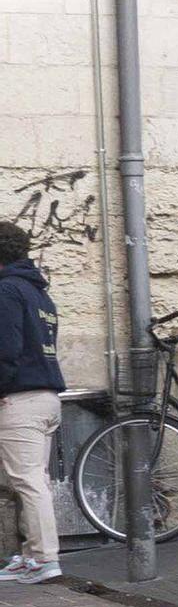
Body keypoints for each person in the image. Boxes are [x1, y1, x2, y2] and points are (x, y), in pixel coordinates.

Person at [0, 221, 67, 586]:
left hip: (20, 399)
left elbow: (6, 349)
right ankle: (29, 557)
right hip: (45, 397)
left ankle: (44, 559)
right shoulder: (40, 293)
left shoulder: (7, 290)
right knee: (31, 479)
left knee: (28, 481)